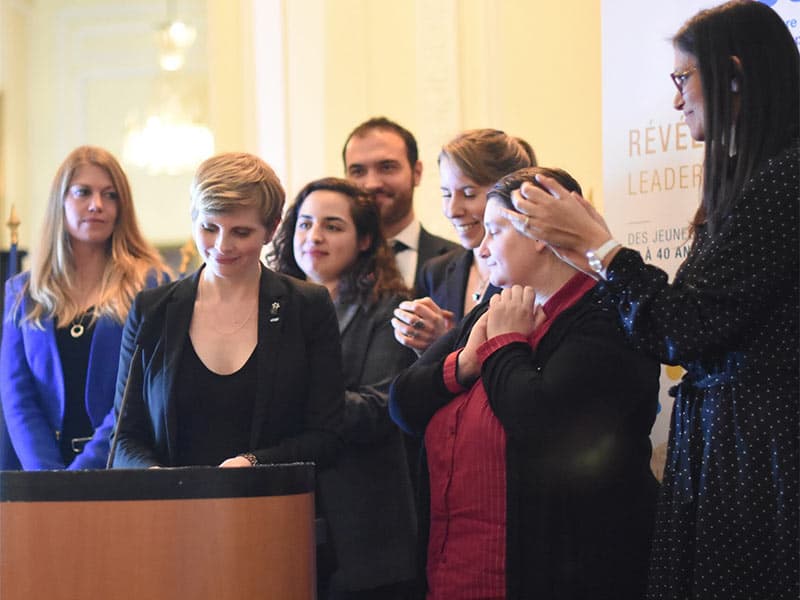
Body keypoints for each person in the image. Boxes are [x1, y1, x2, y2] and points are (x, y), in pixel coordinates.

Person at [501, 2, 799, 597]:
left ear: (733, 75)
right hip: (730, 445)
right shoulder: (754, 181)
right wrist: (587, 250)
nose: (676, 100)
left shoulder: (784, 179)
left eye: (682, 78)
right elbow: (669, 325)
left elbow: (683, 329)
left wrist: (601, 246)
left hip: (760, 452)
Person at [390, 166, 661, 599]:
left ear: (537, 234)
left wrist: (503, 344)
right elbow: (403, 403)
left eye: (494, 230)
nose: (481, 247)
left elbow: (542, 423)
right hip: (456, 570)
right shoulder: (495, 307)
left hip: (562, 577)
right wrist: (464, 363)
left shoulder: (606, 318)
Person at [110, 153, 344, 469]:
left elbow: (325, 434)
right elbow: (124, 436)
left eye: (241, 232)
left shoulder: (307, 307)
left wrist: (254, 463)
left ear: (272, 229)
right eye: (209, 228)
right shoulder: (152, 310)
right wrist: (153, 476)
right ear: (193, 217)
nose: (222, 246)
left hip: (272, 495)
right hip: (170, 498)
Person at [272, 177, 417, 600]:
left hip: (364, 530)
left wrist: (290, 397)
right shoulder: (270, 308)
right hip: (284, 513)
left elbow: (378, 407)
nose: (314, 236)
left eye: (332, 226)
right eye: (304, 224)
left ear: (365, 240)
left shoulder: (390, 308)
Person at [0, 146, 169, 470]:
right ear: (60, 201)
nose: (97, 205)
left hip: (121, 469)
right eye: (83, 192)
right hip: (42, 476)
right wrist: (49, 478)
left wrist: (82, 473)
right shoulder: (23, 292)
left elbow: (137, 394)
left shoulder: (150, 284)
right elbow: (17, 397)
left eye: (110, 195)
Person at [391, 129, 536, 355]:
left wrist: (443, 343)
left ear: (511, 195)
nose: (452, 210)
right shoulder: (435, 272)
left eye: (469, 194)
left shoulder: (532, 276)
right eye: (446, 194)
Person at [343, 117, 458, 293]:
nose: (372, 184)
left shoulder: (457, 261)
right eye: (358, 171)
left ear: (416, 173)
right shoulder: (328, 261)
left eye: (387, 167)